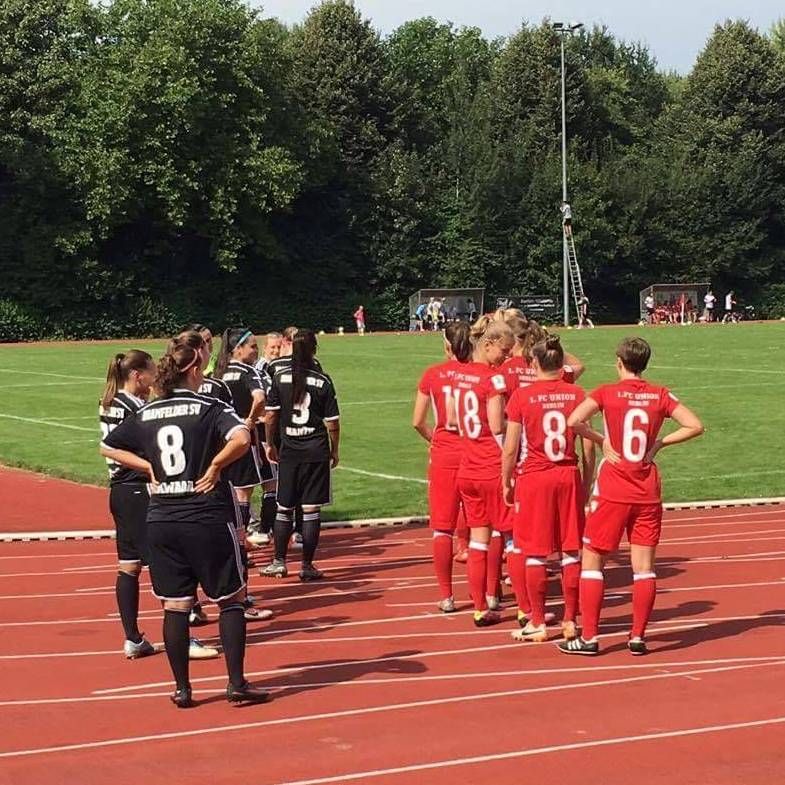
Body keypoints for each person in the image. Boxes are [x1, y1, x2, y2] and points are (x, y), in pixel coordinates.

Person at [100, 333, 269, 707]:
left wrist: (149, 468)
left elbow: (107, 446)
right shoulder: (209, 406)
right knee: (231, 600)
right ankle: (236, 683)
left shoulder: (148, 411)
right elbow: (242, 437)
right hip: (205, 515)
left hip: (161, 518)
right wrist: (216, 464)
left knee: (175, 606)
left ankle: (182, 688)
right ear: (194, 370)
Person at [560, 337, 704, 656]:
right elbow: (695, 425)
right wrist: (660, 444)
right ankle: (638, 636)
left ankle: (590, 637)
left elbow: (573, 421)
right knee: (644, 567)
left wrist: (601, 440)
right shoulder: (659, 394)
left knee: (592, 561)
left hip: (614, 488)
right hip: (646, 489)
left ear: (619, 362)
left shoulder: (606, 392)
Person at [502, 335, 595, 643]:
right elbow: (588, 444)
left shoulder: (522, 396)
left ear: (534, 363)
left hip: (534, 477)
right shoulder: (577, 393)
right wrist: (587, 479)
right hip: (567, 473)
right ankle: (570, 619)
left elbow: (511, 447)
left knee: (534, 552)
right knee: (570, 550)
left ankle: (538, 621)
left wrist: (506, 481)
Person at [261, 330, 340, 581]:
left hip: (290, 450)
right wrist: (334, 449)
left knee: (284, 507)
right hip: (316, 450)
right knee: (310, 509)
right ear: (314, 350)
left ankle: (279, 562)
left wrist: (270, 443)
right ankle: (306, 565)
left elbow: (271, 416)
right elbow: (332, 422)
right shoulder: (323, 380)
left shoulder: (279, 377)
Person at [453, 316, 514, 627]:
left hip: (468, 465)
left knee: (478, 540)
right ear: (489, 344)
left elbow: (453, 418)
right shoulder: (494, 379)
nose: (506, 357)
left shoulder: (459, 376)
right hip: (492, 466)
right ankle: (526, 610)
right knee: (513, 536)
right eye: (504, 350)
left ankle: (480, 606)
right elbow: (498, 425)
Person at [99, 350, 158, 659]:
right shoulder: (132, 406)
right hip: (136, 487)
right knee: (162, 563)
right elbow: (118, 448)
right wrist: (150, 467)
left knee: (129, 564)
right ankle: (182, 631)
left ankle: (133, 637)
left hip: (120, 491)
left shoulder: (110, 401)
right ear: (137, 375)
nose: (155, 378)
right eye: (152, 372)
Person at [412, 321, 472, 613]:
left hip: (445, 453)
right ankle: (488, 593)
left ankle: (447, 596)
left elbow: (417, 421)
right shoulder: (480, 373)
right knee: (486, 527)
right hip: (475, 451)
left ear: (447, 345)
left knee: (442, 528)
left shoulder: (433, 374)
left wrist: (434, 439)